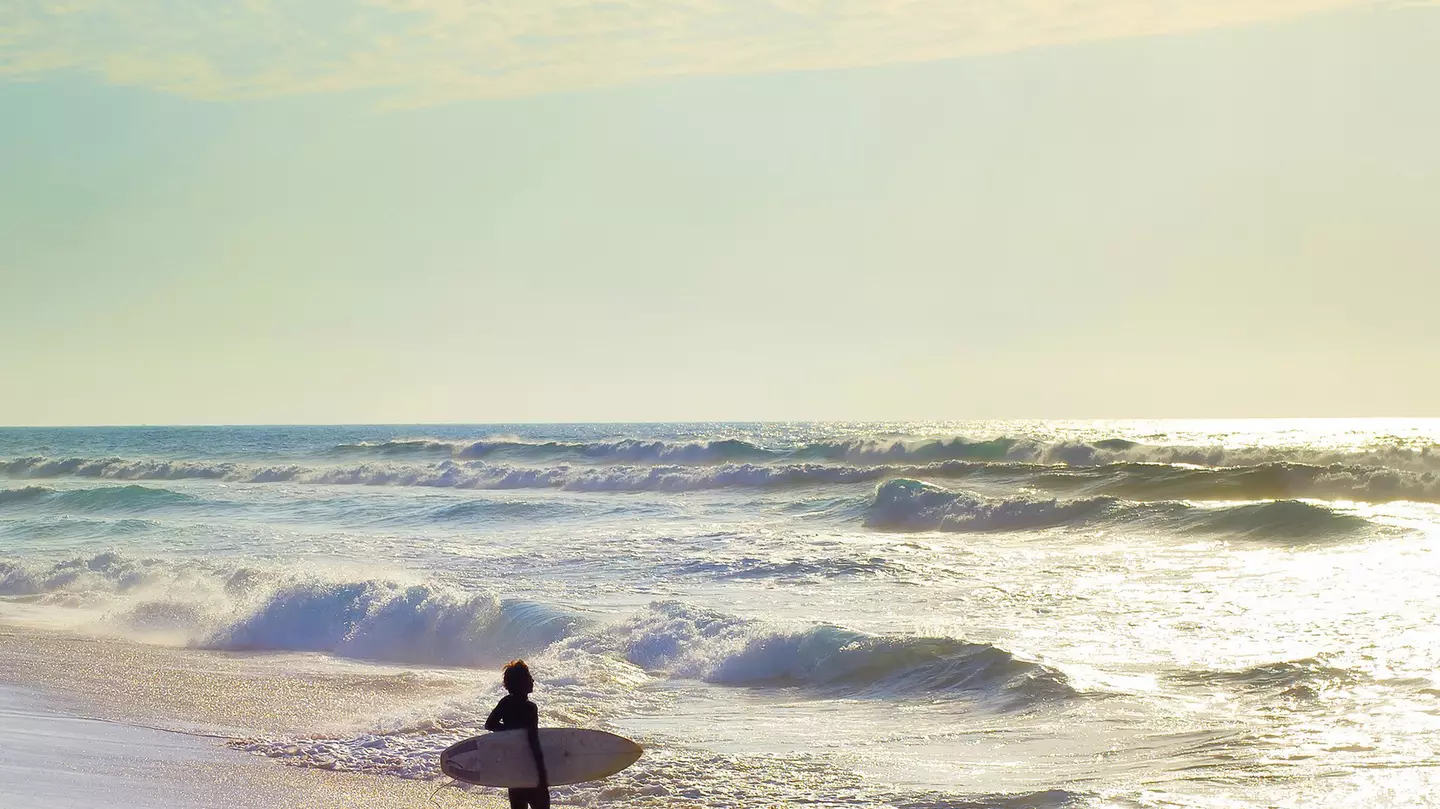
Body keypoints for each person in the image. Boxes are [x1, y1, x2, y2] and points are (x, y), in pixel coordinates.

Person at [484, 659, 550, 809]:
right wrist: (542, 774)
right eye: (529, 677)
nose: (532, 680)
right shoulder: (530, 708)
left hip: (514, 771)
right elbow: (533, 742)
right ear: (521, 682)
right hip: (530, 770)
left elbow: (490, 724)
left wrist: (509, 732)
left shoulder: (505, 703)